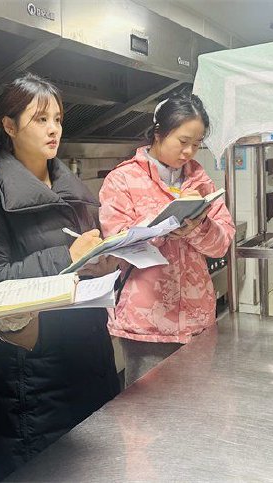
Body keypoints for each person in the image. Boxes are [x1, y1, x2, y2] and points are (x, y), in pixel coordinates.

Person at [0, 73, 120, 475]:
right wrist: (68, 256)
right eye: (40, 119)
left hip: (93, 352)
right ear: (9, 126)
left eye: (58, 119)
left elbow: (89, 259)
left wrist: (108, 262)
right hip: (37, 370)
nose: (53, 129)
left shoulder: (76, 191)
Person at [99, 94, 235, 388]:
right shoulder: (123, 179)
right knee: (147, 411)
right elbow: (117, 245)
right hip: (147, 322)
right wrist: (165, 225)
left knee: (196, 406)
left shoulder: (200, 180)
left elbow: (222, 243)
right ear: (159, 132)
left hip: (196, 319)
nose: (189, 152)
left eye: (197, 144)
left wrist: (198, 227)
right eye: (183, 141)